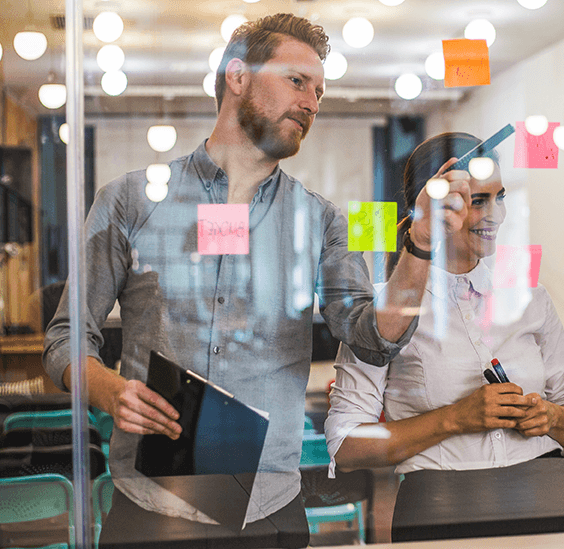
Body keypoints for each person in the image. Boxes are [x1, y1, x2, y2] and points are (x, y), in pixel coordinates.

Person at [42, 13, 470, 546]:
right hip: (151, 506)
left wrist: (421, 246)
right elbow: (65, 338)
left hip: (269, 514)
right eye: (297, 81)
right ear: (237, 76)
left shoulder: (322, 220)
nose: (312, 102)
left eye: (320, 90)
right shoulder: (130, 200)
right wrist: (109, 390)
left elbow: (373, 338)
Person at [325, 133, 564, 533]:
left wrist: (550, 416)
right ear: (429, 206)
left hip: (549, 499)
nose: (496, 215)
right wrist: (455, 418)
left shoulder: (530, 297)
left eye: (499, 197)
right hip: (442, 509)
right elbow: (347, 447)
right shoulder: (385, 314)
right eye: (477, 201)